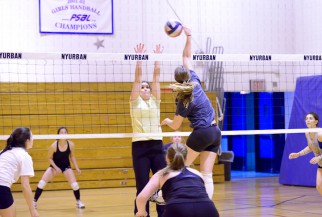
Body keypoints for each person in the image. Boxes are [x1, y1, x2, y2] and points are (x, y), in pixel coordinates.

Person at [161, 27, 222, 199]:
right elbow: (186, 56)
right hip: (215, 132)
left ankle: (163, 196)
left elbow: (175, 126)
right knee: (207, 174)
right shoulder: (194, 80)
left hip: (201, 133)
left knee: (177, 168)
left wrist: (166, 121)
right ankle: (206, 205)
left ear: (177, 81)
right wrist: (188, 35)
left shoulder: (183, 100)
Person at [130, 43, 167, 217]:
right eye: (142, 87)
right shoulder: (135, 102)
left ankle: (164, 214)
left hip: (157, 147)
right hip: (140, 147)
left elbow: (156, 79)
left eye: (147, 87)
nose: (145, 88)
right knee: (142, 185)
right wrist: (139, 59)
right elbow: (137, 80)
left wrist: (157, 59)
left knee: (163, 183)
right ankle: (142, 214)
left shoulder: (155, 101)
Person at [135, 142, 219, 217]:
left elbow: (141, 198)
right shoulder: (197, 173)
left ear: (167, 158)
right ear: (186, 158)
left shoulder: (161, 174)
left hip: (178, 208)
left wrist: (142, 212)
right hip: (208, 208)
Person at [33, 127, 85, 209]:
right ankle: (34, 201)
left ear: (67, 134)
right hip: (54, 166)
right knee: (42, 183)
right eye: (61, 132)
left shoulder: (71, 145)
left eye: (65, 132)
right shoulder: (54, 145)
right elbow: (49, 158)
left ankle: (78, 201)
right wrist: (56, 168)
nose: (63, 134)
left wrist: (77, 168)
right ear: (58, 134)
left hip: (66, 167)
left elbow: (72, 157)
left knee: (75, 185)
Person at [0, 127, 39, 217]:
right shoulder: (24, 156)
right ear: (26, 141)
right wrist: (32, 210)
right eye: (32, 137)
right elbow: (25, 186)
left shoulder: (3, 152)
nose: (33, 139)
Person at [289, 112, 322, 195]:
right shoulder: (307, 133)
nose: (308, 120)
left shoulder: (320, 134)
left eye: (310, 118)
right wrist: (298, 154)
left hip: (320, 159)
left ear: (316, 121)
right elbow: (310, 147)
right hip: (321, 164)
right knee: (319, 187)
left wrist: (319, 157)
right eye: (306, 118)